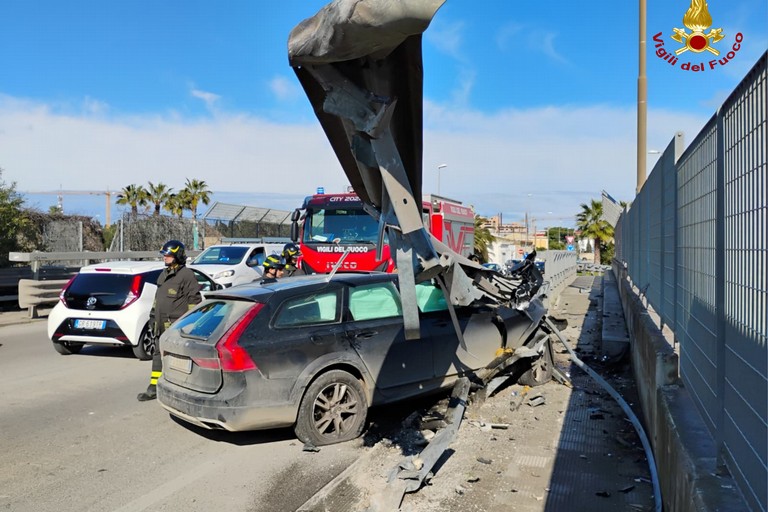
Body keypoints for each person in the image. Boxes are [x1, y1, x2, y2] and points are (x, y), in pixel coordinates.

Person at [137, 240, 202, 402]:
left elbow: (195, 302)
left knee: (179, 359)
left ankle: (183, 390)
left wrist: (189, 326)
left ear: (177, 256)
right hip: (160, 326)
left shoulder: (186, 275)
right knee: (157, 355)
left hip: (176, 328)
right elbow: (157, 299)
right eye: (164, 255)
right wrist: (153, 317)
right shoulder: (164, 274)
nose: (164, 257)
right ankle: (154, 387)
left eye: (168, 255)